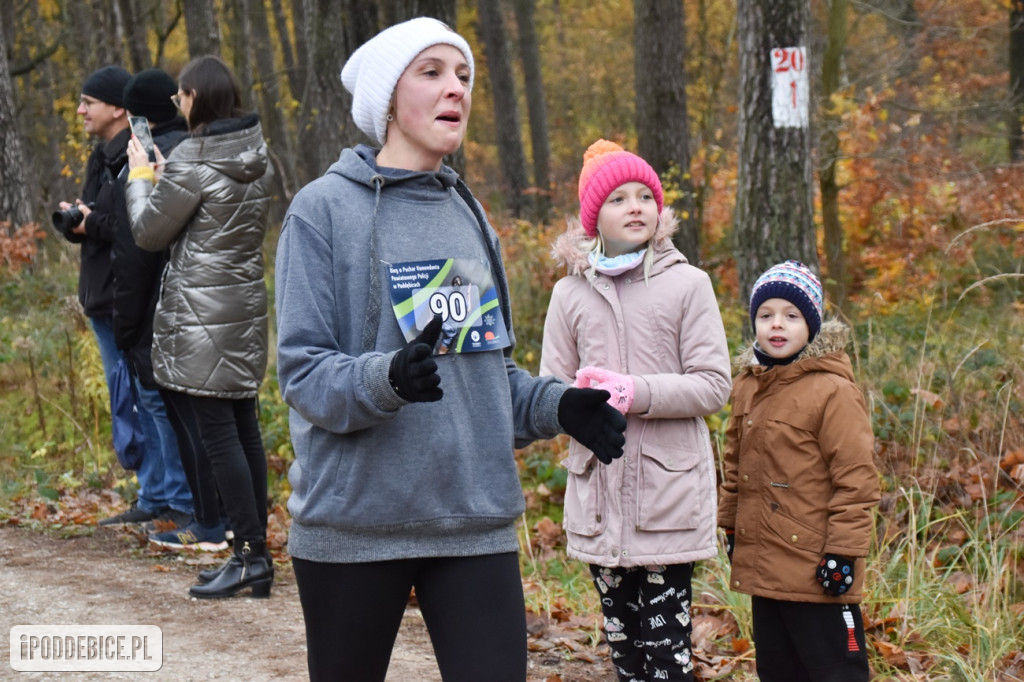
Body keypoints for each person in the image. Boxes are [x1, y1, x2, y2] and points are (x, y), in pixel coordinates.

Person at [274, 18, 626, 682]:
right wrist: (388, 380)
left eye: (463, 75)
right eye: (431, 72)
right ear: (387, 100)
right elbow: (303, 374)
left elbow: (487, 376)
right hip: (356, 524)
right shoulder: (321, 211)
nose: (455, 89)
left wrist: (560, 406)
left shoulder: (467, 214)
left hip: (473, 519)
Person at [540, 140, 732, 682]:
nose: (635, 206)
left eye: (645, 195)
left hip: (665, 498)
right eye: (619, 197)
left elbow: (713, 385)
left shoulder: (688, 285)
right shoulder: (568, 295)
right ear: (593, 217)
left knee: (666, 654)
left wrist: (634, 392)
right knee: (625, 656)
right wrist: (571, 402)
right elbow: (547, 391)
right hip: (599, 497)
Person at [124, 55, 273, 596]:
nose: (178, 105)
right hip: (244, 309)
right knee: (245, 429)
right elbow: (216, 216)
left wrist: (143, 178)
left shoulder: (192, 159)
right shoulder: (257, 154)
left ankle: (249, 556)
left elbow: (146, 232)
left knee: (218, 437)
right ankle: (257, 554)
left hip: (201, 316)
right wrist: (171, 180)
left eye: (180, 97)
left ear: (195, 99)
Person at [717, 260, 880, 681]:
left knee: (833, 669)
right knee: (777, 668)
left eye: (791, 316)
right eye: (766, 315)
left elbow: (856, 479)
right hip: (763, 563)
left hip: (817, 565)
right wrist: (732, 526)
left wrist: (843, 552)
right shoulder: (748, 384)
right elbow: (735, 465)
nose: (777, 325)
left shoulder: (833, 391)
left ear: (811, 325)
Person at [56, 65, 150, 526]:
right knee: (124, 399)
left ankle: (162, 499)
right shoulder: (101, 156)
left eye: (87, 102)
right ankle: (150, 496)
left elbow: (135, 229)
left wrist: (89, 223)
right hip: (99, 296)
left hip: (124, 298)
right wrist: (79, 223)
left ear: (117, 108)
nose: (80, 110)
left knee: (142, 398)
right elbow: (100, 224)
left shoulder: (137, 155)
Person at [110, 68, 193, 534]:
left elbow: (139, 243)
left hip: (156, 304)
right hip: (176, 303)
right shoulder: (191, 151)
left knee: (161, 405)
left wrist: (126, 319)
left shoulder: (154, 160)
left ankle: (182, 503)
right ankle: (168, 497)